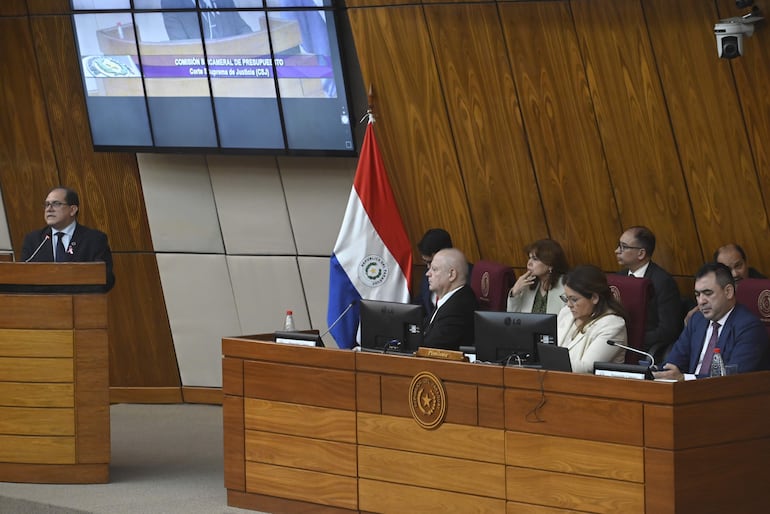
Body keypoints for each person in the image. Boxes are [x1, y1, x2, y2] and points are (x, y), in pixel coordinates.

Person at [655, 262, 769, 380]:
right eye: (697, 295)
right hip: (686, 393)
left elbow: (733, 378)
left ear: (728, 292)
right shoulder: (697, 320)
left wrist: (685, 378)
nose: (701, 301)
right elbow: (673, 362)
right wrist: (651, 373)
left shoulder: (749, 328)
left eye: (708, 293)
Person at [21, 187, 115, 292]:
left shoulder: (94, 239)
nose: (49, 209)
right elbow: (23, 278)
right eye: (47, 204)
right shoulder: (34, 240)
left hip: (81, 304)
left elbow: (106, 278)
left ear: (72, 210)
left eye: (56, 204)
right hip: (41, 305)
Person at [615, 226, 681, 353]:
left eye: (623, 247)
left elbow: (668, 330)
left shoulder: (663, 282)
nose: (617, 251)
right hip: (617, 344)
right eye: (618, 245)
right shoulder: (619, 278)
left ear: (641, 253)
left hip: (644, 349)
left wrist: (632, 340)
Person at [557, 265, 627, 373]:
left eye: (574, 299)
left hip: (592, 386)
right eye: (566, 298)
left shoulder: (613, 325)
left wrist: (546, 360)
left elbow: (587, 368)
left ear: (594, 298)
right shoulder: (566, 313)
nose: (569, 304)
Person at [683, 243, 766, 325]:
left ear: (746, 263)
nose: (735, 274)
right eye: (728, 269)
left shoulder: (763, 289)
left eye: (738, 266)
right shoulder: (710, 291)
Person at [422, 248, 477, 350]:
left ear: (452, 275)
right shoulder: (450, 299)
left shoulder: (460, 307)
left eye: (434, 269)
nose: (428, 274)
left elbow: (432, 346)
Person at [507, 239, 569, 314]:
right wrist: (514, 293)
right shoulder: (527, 284)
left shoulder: (566, 287)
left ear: (550, 264)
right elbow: (514, 319)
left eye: (535, 259)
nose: (529, 263)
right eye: (529, 258)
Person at [162, 0, 252, 41]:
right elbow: (181, 47)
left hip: (234, 67)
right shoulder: (170, 2)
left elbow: (242, 28)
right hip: (200, 72)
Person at [413, 228, 454, 317]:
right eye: (425, 262)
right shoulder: (427, 276)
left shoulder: (468, 278)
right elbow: (419, 305)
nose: (428, 268)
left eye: (432, 262)